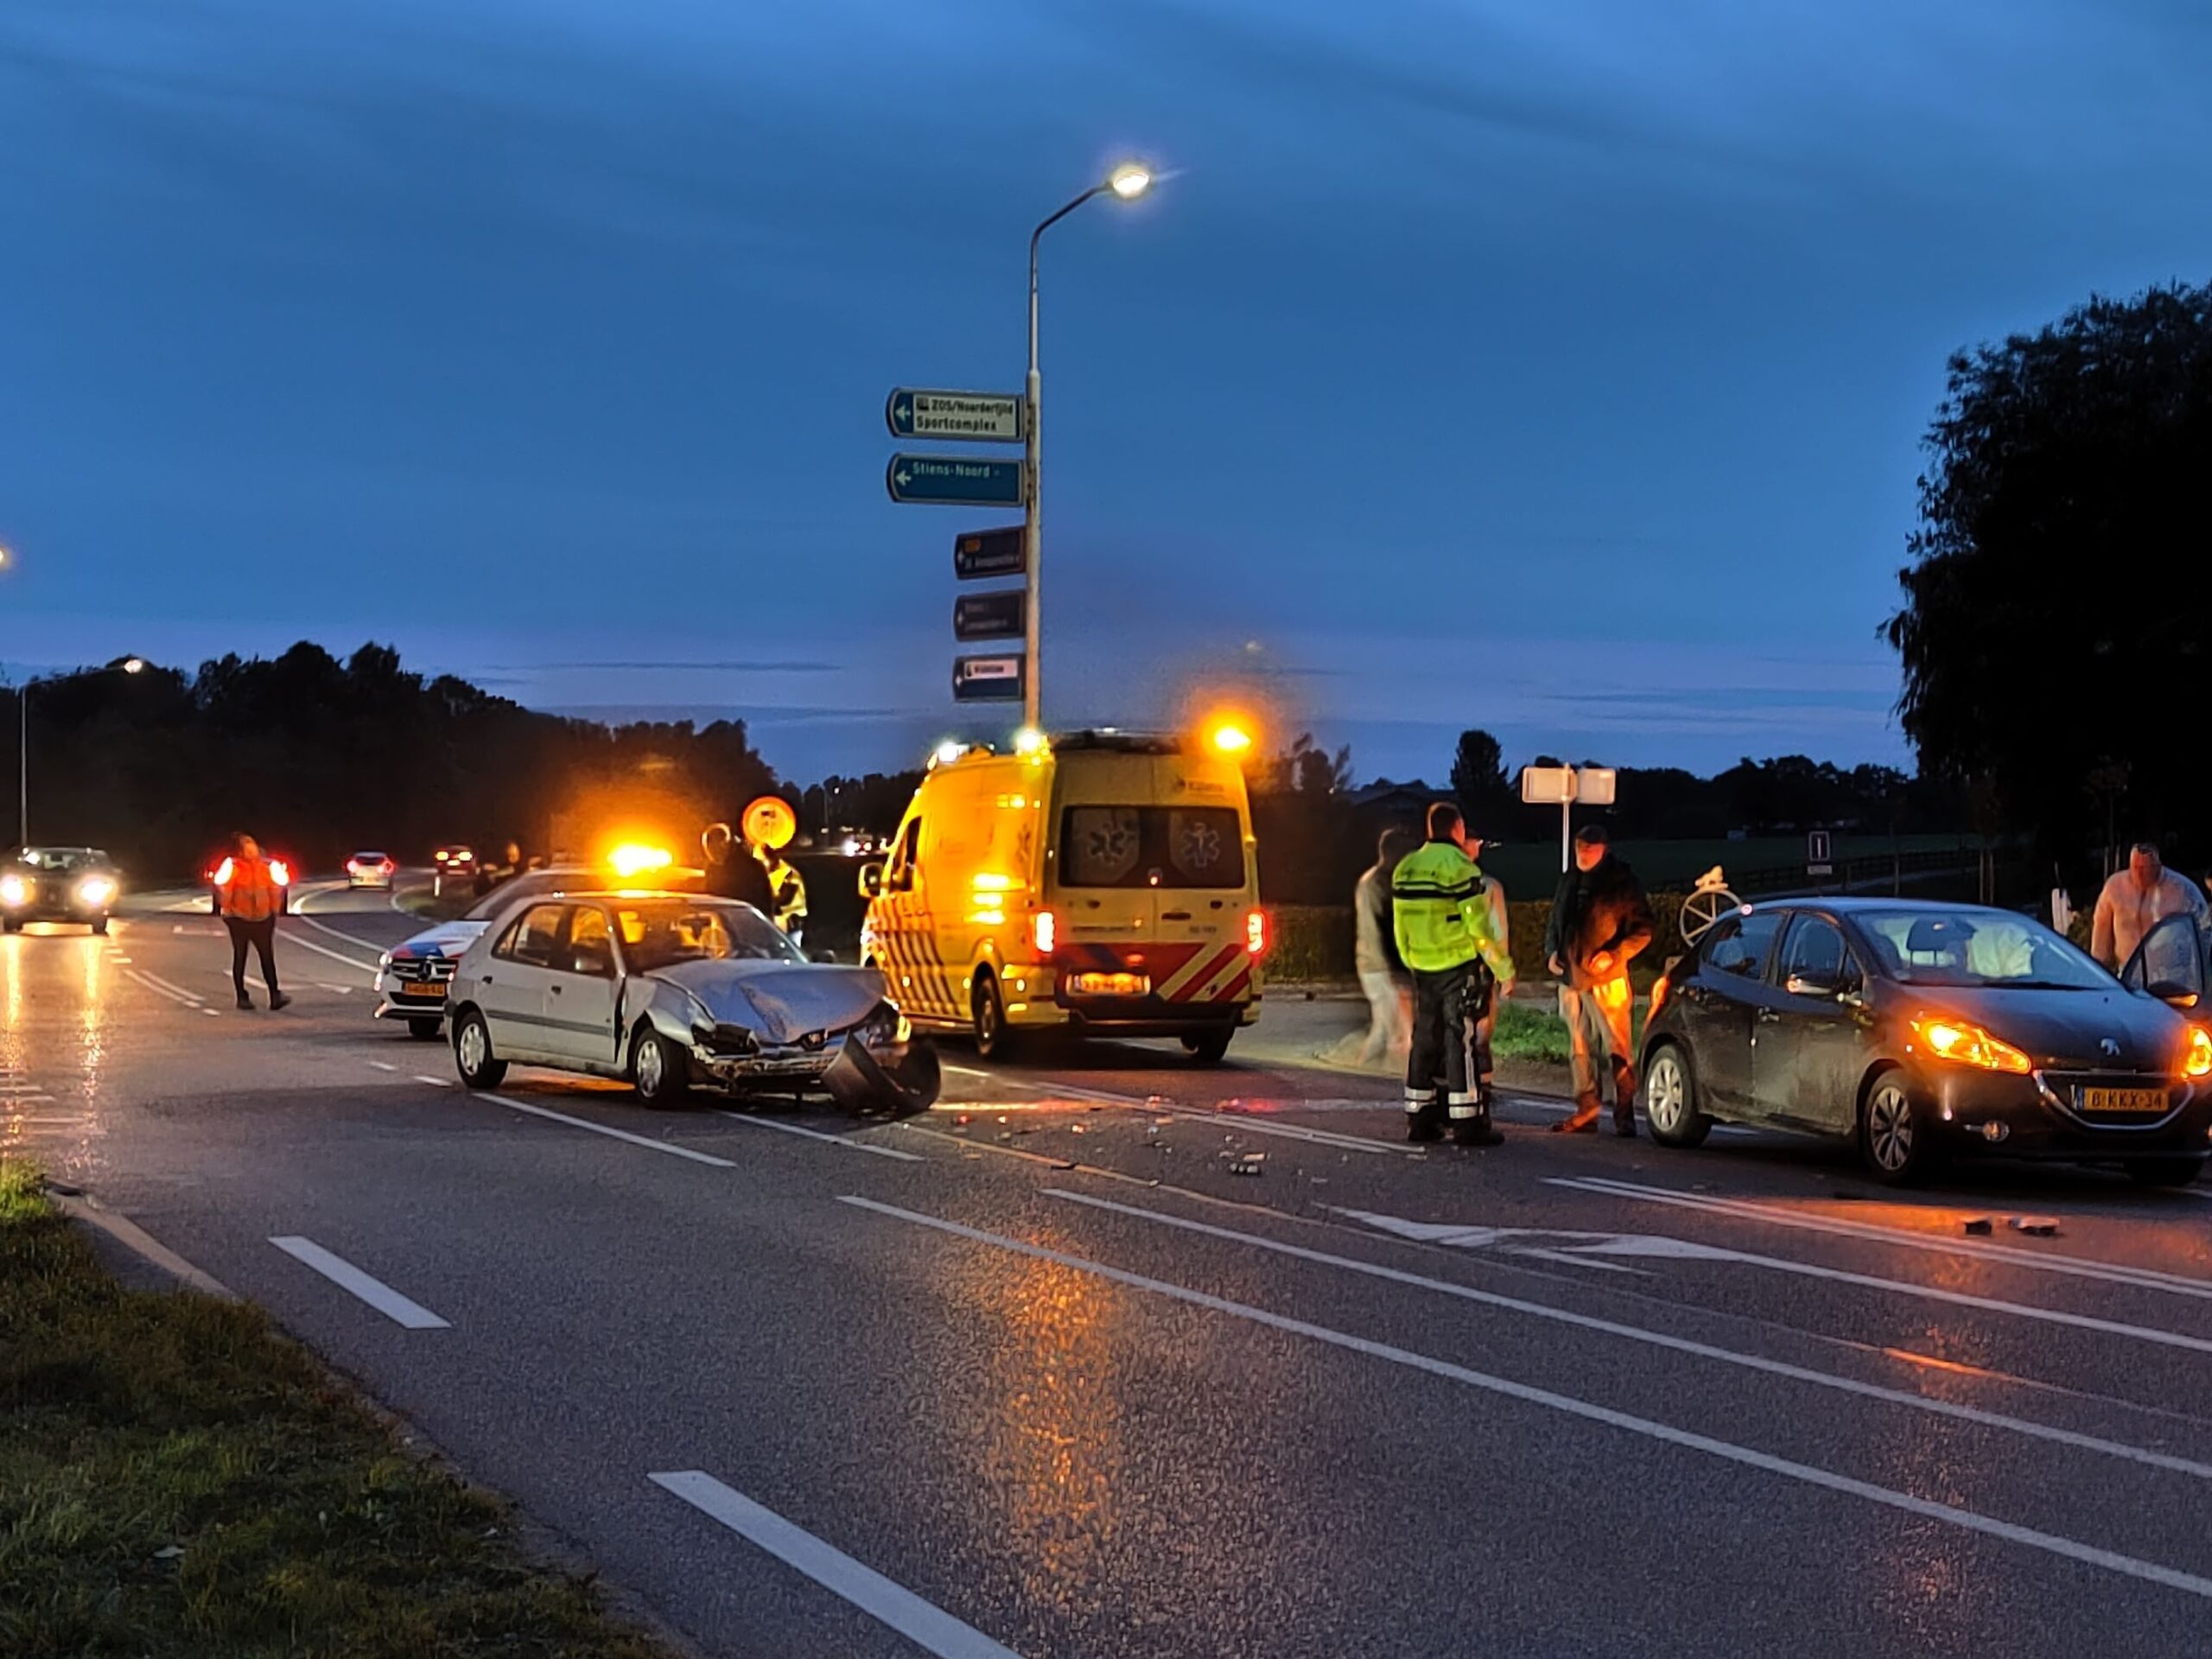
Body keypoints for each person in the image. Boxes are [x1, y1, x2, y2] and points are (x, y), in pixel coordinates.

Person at [1392, 802, 1516, 1146]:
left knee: (1423, 1041)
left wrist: (1412, 959)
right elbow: (1478, 930)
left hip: (1421, 966)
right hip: (1456, 966)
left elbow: (1400, 925)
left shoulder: (1406, 868)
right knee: (1457, 1040)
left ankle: (1420, 1119)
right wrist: (1503, 968)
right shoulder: (1462, 869)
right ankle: (1467, 1125)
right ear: (1457, 829)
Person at [1543, 823, 1653, 1137]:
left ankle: (1625, 1114)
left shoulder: (1621, 883)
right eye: (1579, 848)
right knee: (1579, 1048)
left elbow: (1643, 929)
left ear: (1604, 849)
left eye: (1588, 849)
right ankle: (1586, 1110)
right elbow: (1556, 917)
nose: (1582, 854)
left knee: (1617, 1048)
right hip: (1571, 977)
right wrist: (1552, 950)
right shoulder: (1570, 878)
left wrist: (1615, 954)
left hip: (1608, 980)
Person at [1351, 827, 1419, 1065]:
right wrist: (1397, 970)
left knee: (1383, 1029)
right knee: (1397, 1033)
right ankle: (1384, 1078)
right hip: (1381, 967)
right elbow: (1385, 930)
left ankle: (1362, 1073)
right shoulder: (1379, 884)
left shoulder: (1370, 881)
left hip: (1373, 964)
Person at [2090, 842, 2208, 971]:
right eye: (2136, 868)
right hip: (2129, 974)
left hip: (2174, 974)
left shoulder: (2182, 889)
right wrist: (2099, 971)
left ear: (2157, 866)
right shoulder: (2114, 888)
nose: (2140, 874)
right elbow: (2101, 935)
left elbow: (2205, 931)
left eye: (2144, 868)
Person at [213, 833, 290, 1012]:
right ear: (240, 851)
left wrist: (274, 911)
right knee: (240, 957)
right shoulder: (233, 866)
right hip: (239, 919)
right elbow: (225, 889)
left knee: (267, 957)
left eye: (252, 845)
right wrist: (228, 913)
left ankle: (275, 995)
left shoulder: (266, 866)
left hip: (263, 919)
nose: (251, 849)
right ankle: (241, 996)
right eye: (246, 847)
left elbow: (275, 888)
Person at [702, 822, 775, 913]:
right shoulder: (713, 869)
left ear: (725, 844)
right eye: (709, 851)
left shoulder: (750, 868)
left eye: (715, 849)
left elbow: (762, 902)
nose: (712, 855)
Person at [760, 842, 809, 945]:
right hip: (777, 922)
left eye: (762, 860)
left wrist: (764, 903)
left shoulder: (788, 873)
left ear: (770, 858)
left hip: (790, 922)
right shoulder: (769, 873)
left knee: (790, 955)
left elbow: (785, 899)